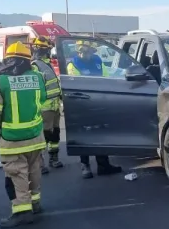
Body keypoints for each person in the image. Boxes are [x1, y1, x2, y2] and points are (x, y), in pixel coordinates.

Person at [0, 42, 47, 228]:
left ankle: (22, 211)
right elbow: (41, 101)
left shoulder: (1, 81)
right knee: (34, 169)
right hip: (35, 136)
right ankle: (35, 204)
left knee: (16, 174)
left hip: (12, 139)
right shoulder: (38, 77)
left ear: (8, 59)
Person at [65, 41, 122, 179]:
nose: (83, 53)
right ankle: (85, 165)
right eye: (80, 51)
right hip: (83, 104)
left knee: (101, 134)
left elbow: (107, 78)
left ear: (91, 51)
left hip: (99, 102)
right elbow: (76, 85)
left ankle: (103, 165)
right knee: (85, 135)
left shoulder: (97, 61)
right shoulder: (73, 65)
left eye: (86, 51)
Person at [30, 37, 63, 174]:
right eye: (46, 49)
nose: (48, 51)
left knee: (55, 134)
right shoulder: (35, 65)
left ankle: (53, 158)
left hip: (55, 106)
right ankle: (40, 163)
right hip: (45, 107)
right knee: (44, 135)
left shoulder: (48, 64)